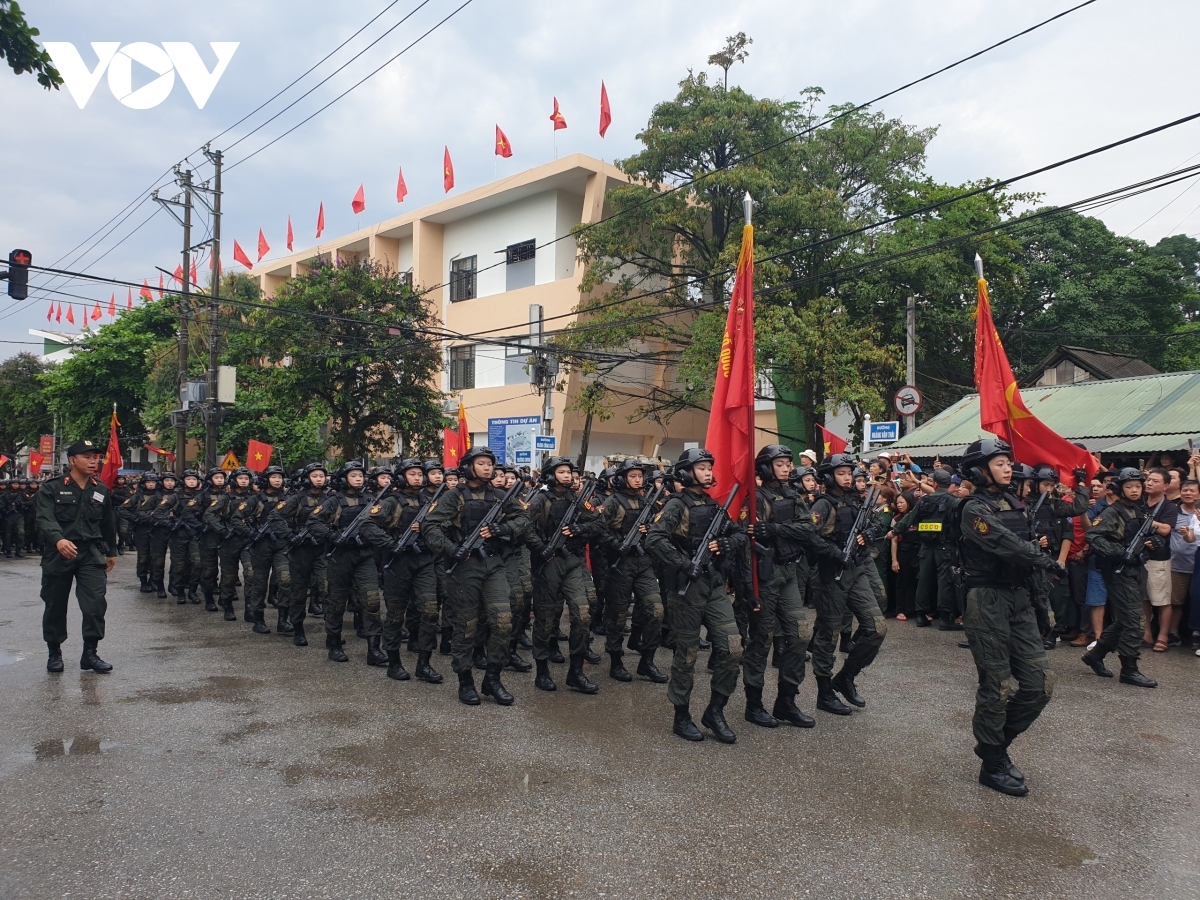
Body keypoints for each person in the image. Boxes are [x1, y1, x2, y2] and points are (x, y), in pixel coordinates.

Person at [956, 439, 1064, 797]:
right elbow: (1006, 544)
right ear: (979, 469)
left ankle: (994, 743)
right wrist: (1044, 559)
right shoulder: (973, 508)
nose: (1007, 468)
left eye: (1007, 462)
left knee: (1039, 684)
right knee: (997, 686)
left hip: (1019, 599)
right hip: (987, 601)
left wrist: (1042, 605)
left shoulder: (1017, 504)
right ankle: (993, 761)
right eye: (999, 463)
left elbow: (1027, 553)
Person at [646, 448, 750, 744]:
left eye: (708, 467)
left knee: (732, 648)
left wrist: (725, 544)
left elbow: (739, 535)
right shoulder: (676, 505)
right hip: (686, 589)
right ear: (686, 472)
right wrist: (683, 563)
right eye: (701, 467)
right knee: (688, 655)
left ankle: (715, 711)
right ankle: (682, 715)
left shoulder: (715, 505)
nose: (707, 472)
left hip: (714, 585)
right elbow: (654, 539)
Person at [421, 446, 528, 706]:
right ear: (469, 466)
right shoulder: (454, 496)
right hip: (465, 567)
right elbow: (429, 524)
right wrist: (451, 549)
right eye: (481, 463)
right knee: (466, 627)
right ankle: (465, 681)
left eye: (490, 463)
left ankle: (492, 679)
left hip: (493, 564)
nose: (488, 468)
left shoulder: (500, 495)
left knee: (503, 621)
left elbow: (523, 518)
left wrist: (502, 529)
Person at [743, 444, 818, 728]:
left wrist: (774, 529)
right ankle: (754, 704)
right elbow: (745, 538)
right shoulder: (756, 499)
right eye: (780, 463)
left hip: (789, 571)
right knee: (761, 640)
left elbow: (807, 529)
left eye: (788, 463)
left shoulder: (791, 495)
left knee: (799, 635)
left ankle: (786, 701)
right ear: (765, 467)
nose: (787, 467)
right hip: (765, 574)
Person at [808, 453, 887, 717]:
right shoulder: (822, 505)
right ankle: (824, 692)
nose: (847, 477)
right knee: (828, 636)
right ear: (829, 476)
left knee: (877, 628)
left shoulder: (855, 500)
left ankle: (846, 677)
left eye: (848, 473)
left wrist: (868, 533)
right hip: (831, 575)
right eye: (841, 473)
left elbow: (875, 520)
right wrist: (835, 553)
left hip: (856, 571)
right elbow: (808, 537)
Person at [35, 439, 118, 674]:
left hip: (90, 553)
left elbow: (107, 522)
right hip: (59, 552)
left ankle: (90, 654)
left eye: (97, 457)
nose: (94, 461)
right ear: (73, 460)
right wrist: (58, 539)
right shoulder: (52, 487)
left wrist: (110, 552)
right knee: (55, 604)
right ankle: (54, 653)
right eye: (88, 457)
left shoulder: (99, 488)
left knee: (95, 603)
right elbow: (44, 517)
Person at [360, 458, 443, 684]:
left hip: (424, 561)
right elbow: (366, 525)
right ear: (402, 476)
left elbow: (444, 526)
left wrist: (427, 530)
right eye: (412, 474)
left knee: (429, 611)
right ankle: (394, 662)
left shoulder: (430, 500)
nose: (417, 478)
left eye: (419, 474)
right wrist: (390, 543)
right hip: (398, 563)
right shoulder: (391, 502)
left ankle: (424, 664)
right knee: (396, 615)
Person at [525, 455, 603, 695]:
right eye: (561, 472)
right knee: (545, 620)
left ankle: (576, 673)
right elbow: (522, 526)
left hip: (573, 563)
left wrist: (581, 528)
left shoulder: (577, 500)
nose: (567, 475)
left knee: (582, 615)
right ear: (550, 475)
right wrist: (540, 547)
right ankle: (542, 672)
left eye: (569, 472)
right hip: (548, 564)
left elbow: (599, 523)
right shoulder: (540, 499)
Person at [1083, 468, 1160, 689]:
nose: (1134, 490)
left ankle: (1095, 655)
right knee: (1135, 622)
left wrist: (1154, 545)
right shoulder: (1112, 512)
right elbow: (1093, 536)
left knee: (1125, 620)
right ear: (1120, 488)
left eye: (1138, 486)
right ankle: (1129, 670)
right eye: (1129, 486)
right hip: (1117, 570)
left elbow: (1147, 537)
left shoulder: (1138, 510)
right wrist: (1119, 552)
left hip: (1134, 569)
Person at [307, 462, 387, 667]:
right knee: (336, 602)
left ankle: (374, 649)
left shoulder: (372, 500)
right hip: (340, 557)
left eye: (361, 475)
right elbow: (313, 522)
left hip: (365, 556)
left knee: (371, 600)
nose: (359, 478)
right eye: (353, 475)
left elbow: (385, 521)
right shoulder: (334, 501)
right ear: (344, 479)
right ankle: (334, 643)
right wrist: (332, 535)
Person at [600, 459, 668, 684]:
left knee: (656, 610)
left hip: (644, 563)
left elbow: (660, 527)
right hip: (620, 565)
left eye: (640, 476)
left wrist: (650, 529)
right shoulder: (612, 502)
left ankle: (646, 662)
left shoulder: (648, 502)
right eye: (633, 476)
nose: (638, 479)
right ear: (622, 478)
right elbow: (597, 530)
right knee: (618, 616)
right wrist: (616, 543)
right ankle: (616, 662)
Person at [204, 467, 261, 623]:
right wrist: (222, 530)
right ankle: (227, 606)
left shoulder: (255, 498)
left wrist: (254, 523)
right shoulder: (225, 498)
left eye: (246, 478)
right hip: (229, 541)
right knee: (228, 577)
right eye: (241, 478)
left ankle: (249, 609)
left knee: (250, 574)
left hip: (248, 540)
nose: (244, 481)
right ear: (234, 480)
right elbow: (209, 514)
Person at [247, 466, 292, 635]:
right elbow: (237, 518)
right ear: (266, 479)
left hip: (281, 545)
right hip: (261, 546)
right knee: (259, 584)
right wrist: (250, 532)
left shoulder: (288, 499)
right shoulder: (255, 499)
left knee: (286, 580)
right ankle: (258, 620)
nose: (277, 480)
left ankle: (283, 620)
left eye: (280, 477)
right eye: (273, 477)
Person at [1139, 469, 1179, 651]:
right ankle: (1146, 633)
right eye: (1148, 480)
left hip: (1159, 558)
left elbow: (1165, 530)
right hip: (1139, 557)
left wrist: (1147, 521)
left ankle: (1163, 636)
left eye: (1155, 481)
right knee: (1144, 598)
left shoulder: (1169, 506)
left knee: (1161, 599)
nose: (1149, 483)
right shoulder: (1139, 503)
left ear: (1165, 486)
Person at [158, 469, 204, 605]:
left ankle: (192, 591)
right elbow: (158, 512)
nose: (191, 481)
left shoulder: (201, 496)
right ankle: (180, 592)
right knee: (179, 565)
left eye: (194, 479)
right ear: (183, 481)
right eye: (189, 479)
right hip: (179, 534)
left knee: (197, 562)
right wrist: (170, 524)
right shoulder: (176, 497)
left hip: (195, 533)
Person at [1167, 479, 1199, 650]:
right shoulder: (1174, 511)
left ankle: (1195, 634)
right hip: (1178, 564)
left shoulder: (1198, 513)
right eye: (1185, 490)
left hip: (1197, 565)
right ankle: (1173, 633)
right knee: (1176, 601)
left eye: (1192, 490)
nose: (1188, 493)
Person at [122, 472, 160, 595]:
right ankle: (143, 581)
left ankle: (154, 580)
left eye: (153, 482)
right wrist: (135, 519)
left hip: (157, 528)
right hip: (141, 529)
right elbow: (122, 510)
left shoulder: (161, 496)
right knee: (143, 557)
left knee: (156, 557)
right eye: (148, 482)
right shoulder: (137, 496)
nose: (151, 485)